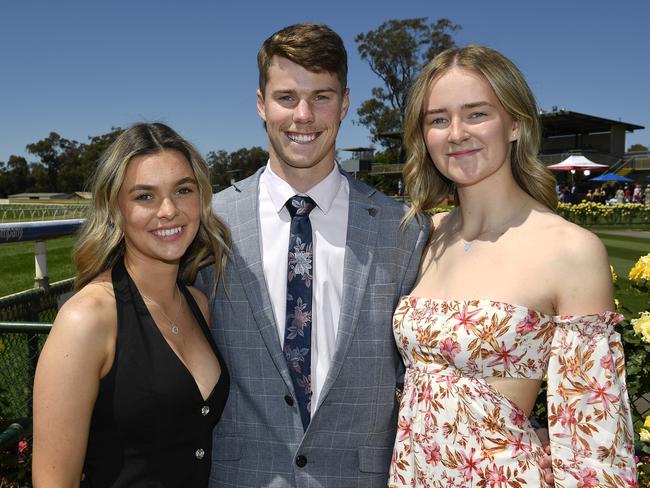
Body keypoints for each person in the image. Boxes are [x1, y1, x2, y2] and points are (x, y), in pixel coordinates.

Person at [390, 45, 637, 486]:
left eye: (477, 114)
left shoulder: (570, 250)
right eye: (438, 119)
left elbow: (595, 439)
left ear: (516, 124)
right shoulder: (424, 236)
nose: (457, 133)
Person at [194, 23, 428, 487]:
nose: (303, 115)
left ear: (344, 103)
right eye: (286, 97)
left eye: (321, 97)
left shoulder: (402, 228)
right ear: (261, 103)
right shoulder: (210, 221)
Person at [32, 123, 231, 487]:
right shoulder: (87, 319)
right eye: (145, 196)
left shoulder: (198, 304)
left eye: (183, 190)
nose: (169, 210)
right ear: (115, 210)